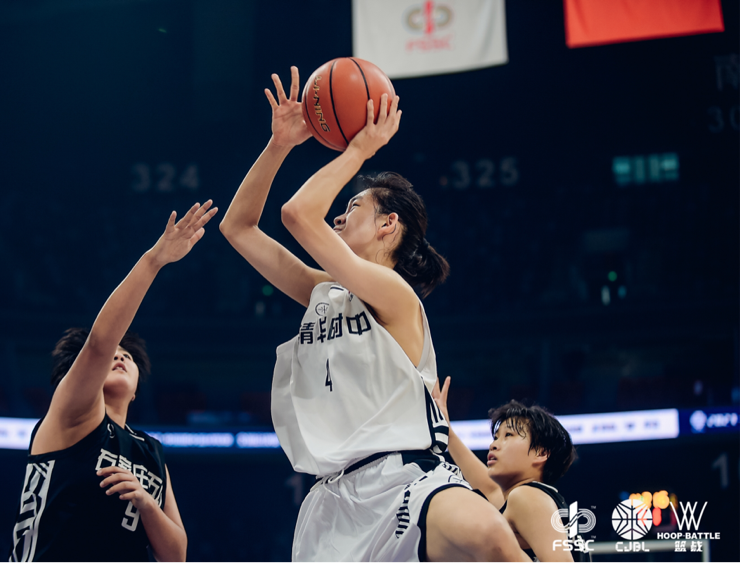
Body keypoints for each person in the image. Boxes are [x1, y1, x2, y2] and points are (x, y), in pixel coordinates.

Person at [219, 67, 527, 563]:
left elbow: (297, 214)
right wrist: (278, 145)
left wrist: (360, 149)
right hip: (331, 499)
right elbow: (238, 227)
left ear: (389, 224)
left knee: (489, 536)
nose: (339, 215)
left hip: (407, 477)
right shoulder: (323, 291)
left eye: (354, 205)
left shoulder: (394, 293)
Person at [9, 202, 217, 563]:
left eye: (129, 357)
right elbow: (99, 344)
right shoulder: (72, 414)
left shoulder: (150, 451)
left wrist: (146, 503)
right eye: (113, 356)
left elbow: (176, 556)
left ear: (136, 390)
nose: (120, 357)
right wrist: (154, 261)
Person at [433, 377, 581, 563]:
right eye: (496, 437)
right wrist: (448, 433)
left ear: (541, 453)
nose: (493, 445)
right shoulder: (529, 497)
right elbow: (489, 488)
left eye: (508, 435)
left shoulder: (527, 497)